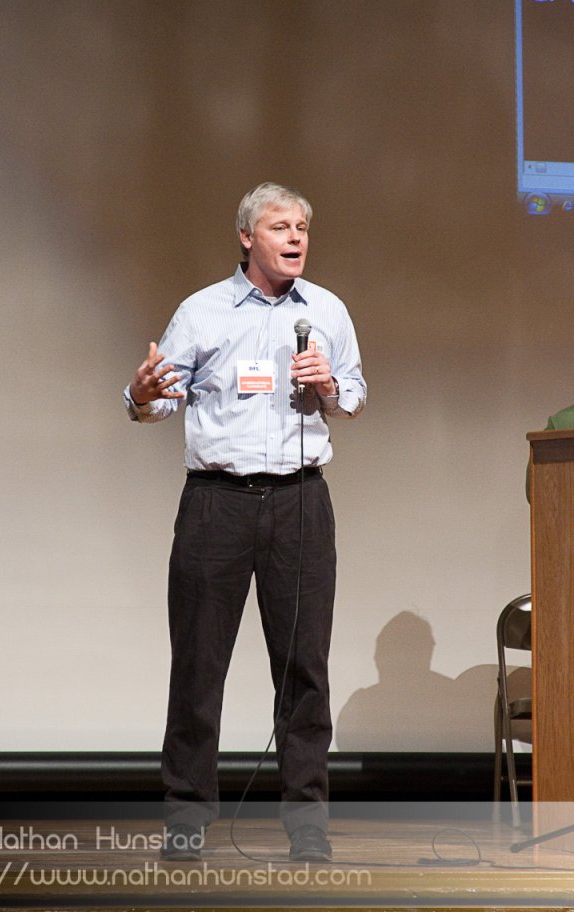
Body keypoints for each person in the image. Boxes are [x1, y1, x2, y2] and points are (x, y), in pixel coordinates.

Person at [124, 182, 366, 862]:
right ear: (246, 237)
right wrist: (140, 394)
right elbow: (159, 397)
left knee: (304, 669)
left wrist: (328, 387)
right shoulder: (202, 311)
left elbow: (354, 394)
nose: (296, 238)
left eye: (302, 228)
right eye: (280, 227)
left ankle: (308, 825)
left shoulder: (326, 311)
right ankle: (186, 819)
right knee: (199, 667)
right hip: (217, 503)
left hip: (300, 502)